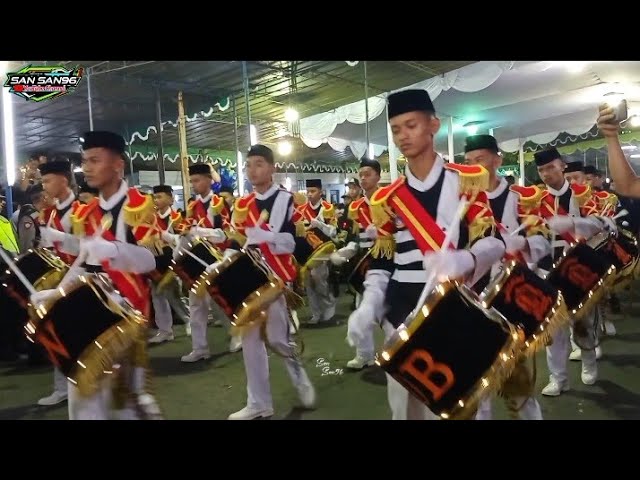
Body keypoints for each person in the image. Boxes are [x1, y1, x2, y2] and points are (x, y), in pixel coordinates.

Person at [347, 89, 506, 420]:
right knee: (404, 408)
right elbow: (382, 260)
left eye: (411, 125)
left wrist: (467, 259)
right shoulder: (387, 198)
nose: (403, 136)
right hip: (402, 309)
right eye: (395, 129)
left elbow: (493, 241)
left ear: (433, 125)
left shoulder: (466, 182)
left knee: (462, 400)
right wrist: (369, 303)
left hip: (453, 306)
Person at [30, 130, 162, 420]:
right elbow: (83, 262)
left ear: (117, 165)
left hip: (125, 317)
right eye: (84, 160)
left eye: (94, 160)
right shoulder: (87, 212)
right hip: (90, 307)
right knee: (84, 402)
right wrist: (58, 293)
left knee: (126, 405)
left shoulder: (139, 205)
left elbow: (150, 260)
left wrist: (113, 249)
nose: (86, 167)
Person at [224, 144, 316, 419]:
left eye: (259, 164)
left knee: (278, 339)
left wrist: (270, 238)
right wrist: (227, 257)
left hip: (277, 277)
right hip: (250, 278)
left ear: (272, 168)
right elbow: (235, 239)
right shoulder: (242, 204)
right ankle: (259, 403)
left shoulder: (289, 200)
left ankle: (301, 381)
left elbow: (297, 245)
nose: (252, 170)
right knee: (251, 341)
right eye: (249, 164)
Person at [463, 134, 551, 420]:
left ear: (497, 160)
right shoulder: (462, 202)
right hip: (476, 295)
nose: (474, 166)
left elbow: (543, 242)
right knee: (479, 377)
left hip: (513, 290)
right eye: (468, 162)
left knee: (518, 375)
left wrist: (524, 244)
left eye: (480, 160)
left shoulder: (523, 197)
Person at [533, 147, 613, 396]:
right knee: (553, 329)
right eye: (541, 170)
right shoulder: (533, 200)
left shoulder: (586, 195)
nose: (546, 174)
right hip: (549, 271)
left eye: (550, 168)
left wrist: (576, 223)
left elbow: (607, 226)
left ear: (562, 166)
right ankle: (559, 378)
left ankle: (589, 363)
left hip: (579, 269)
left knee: (583, 323)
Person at [178, 164, 241, 362]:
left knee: (219, 302)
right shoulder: (192, 207)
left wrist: (200, 231)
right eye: (192, 181)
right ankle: (200, 348)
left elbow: (226, 234)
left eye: (197, 180)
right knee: (196, 305)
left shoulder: (219, 203)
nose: (194, 185)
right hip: (197, 259)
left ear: (208, 180)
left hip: (218, 258)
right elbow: (186, 230)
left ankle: (237, 335)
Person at [330, 158, 384, 369]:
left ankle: (394, 353)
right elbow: (357, 236)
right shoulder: (357, 207)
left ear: (378, 176)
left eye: (368, 173)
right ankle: (365, 354)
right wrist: (347, 250)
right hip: (367, 262)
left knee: (390, 314)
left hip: (391, 261)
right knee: (362, 307)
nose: (363, 178)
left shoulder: (389, 198)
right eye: (360, 174)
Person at [36, 159, 77, 406]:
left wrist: (59, 237)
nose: (44, 186)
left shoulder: (83, 208)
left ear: (63, 179)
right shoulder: (49, 213)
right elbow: (48, 246)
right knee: (56, 331)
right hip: (59, 279)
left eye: (47, 181)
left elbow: (90, 246)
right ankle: (61, 387)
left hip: (81, 279)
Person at [148, 185, 189, 344]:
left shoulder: (177, 218)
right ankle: (165, 330)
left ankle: (189, 320)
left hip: (172, 260)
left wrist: (165, 236)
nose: (156, 200)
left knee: (174, 294)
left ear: (170, 198)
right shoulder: (151, 218)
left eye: (160, 196)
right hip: (155, 259)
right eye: (155, 197)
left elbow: (181, 240)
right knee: (157, 294)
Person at [294, 179, 338, 325]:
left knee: (318, 278)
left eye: (313, 191)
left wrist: (319, 224)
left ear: (320, 192)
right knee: (308, 282)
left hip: (323, 248)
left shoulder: (328, 208)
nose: (310, 194)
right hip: (306, 250)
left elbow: (333, 231)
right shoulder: (301, 209)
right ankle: (316, 313)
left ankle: (329, 306)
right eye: (308, 191)